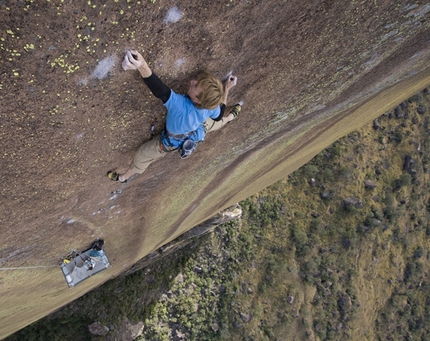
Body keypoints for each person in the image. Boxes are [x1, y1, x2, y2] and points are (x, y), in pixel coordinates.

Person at [107, 50, 241, 183]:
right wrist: (226, 89)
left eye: (195, 85)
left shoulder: (181, 106)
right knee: (217, 122)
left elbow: (160, 89)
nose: (192, 81)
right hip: (199, 126)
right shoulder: (210, 106)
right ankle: (230, 118)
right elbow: (218, 114)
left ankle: (123, 177)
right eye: (197, 80)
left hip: (172, 140)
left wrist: (142, 65)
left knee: (142, 155)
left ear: (198, 101)